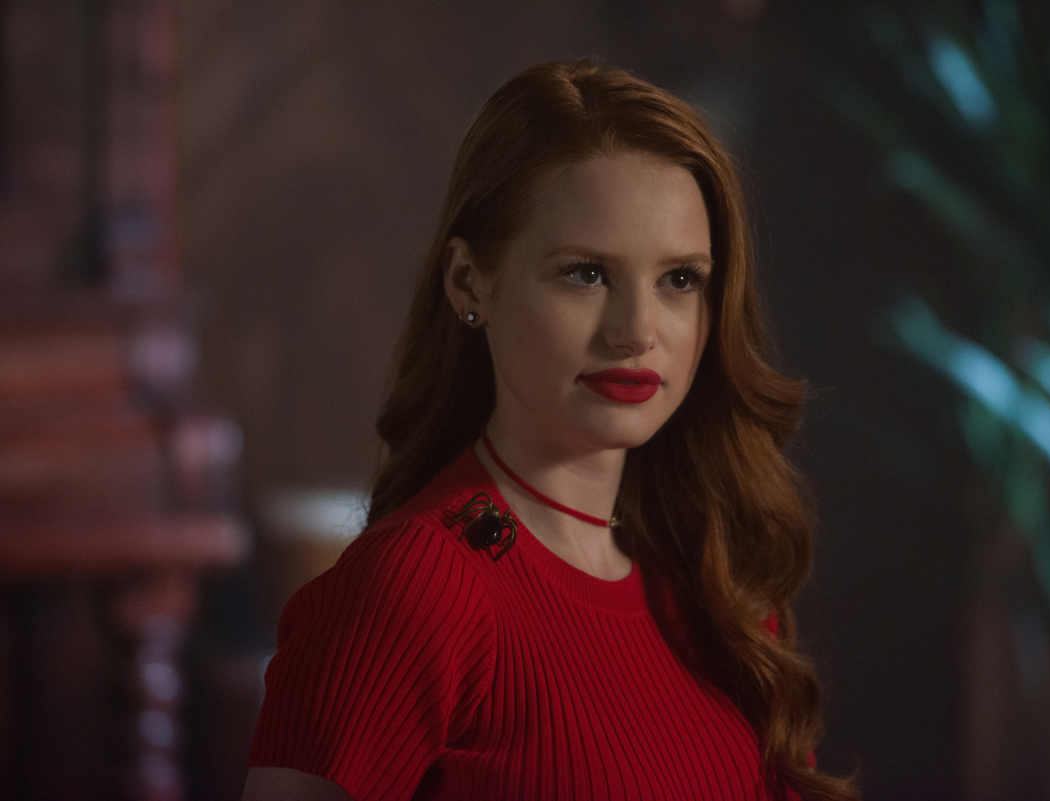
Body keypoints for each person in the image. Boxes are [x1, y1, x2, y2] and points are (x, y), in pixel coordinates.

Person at [242, 60, 857, 801]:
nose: (637, 331)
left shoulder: (719, 585)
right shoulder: (417, 586)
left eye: (679, 279)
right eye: (586, 273)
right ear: (469, 281)